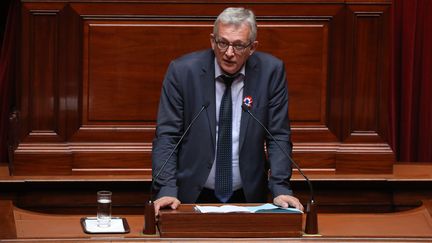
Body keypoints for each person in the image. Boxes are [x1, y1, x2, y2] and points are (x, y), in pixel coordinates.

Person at [152, 7, 303, 215]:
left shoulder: (271, 72)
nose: (229, 53)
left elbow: (278, 136)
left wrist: (280, 188)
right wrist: (166, 188)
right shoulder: (182, 72)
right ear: (212, 41)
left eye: (239, 45)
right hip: (188, 196)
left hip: (249, 197)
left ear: (252, 47)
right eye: (222, 43)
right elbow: (167, 136)